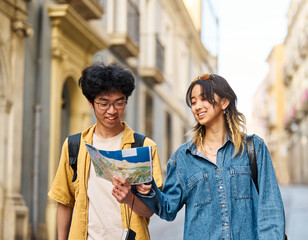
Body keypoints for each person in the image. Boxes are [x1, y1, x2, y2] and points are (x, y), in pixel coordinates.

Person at [135, 73, 286, 239]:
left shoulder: (253, 148)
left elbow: (271, 210)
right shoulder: (183, 158)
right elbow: (168, 209)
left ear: (224, 102)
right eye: (193, 102)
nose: (197, 106)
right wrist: (149, 190)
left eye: (204, 98)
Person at [48, 62, 163, 240]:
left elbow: (150, 211)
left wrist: (129, 199)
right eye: (104, 103)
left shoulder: (144, 147)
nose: (112, 111)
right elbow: (64, 201)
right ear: (90, 102)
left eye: (119, 103)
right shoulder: (74, 145)